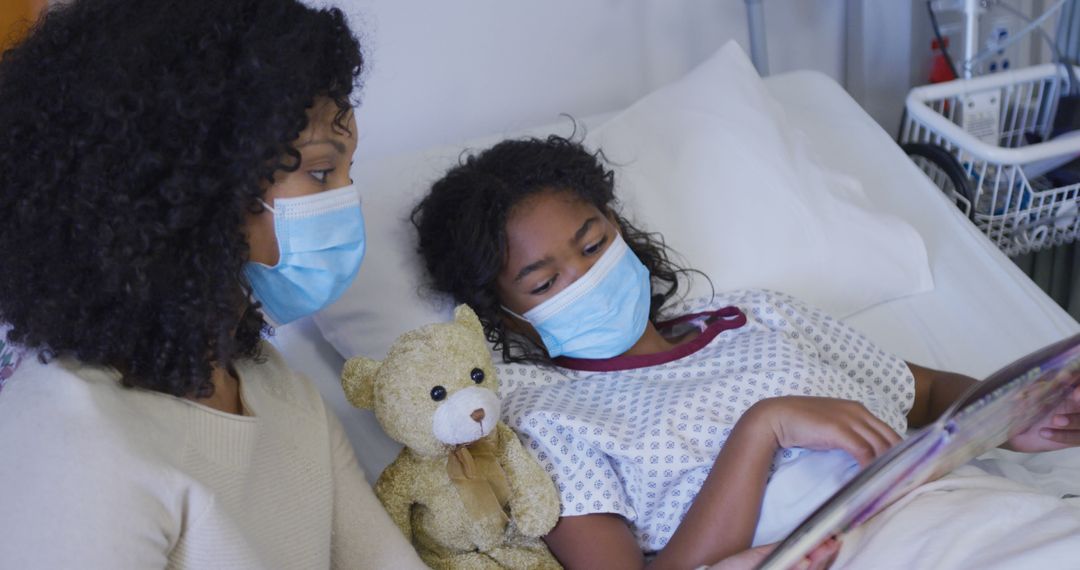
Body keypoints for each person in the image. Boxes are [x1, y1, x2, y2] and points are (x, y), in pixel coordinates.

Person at [410, 134, 1080, 569]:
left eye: (591, 243)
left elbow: (929, 397)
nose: (585, 278)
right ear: (509, 317)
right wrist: (762, 429)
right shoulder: (545, 413)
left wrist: (1019, 416)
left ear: (618, 226)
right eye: (546, 280)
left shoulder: (754, 315)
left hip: (967, 508)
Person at [0, 1, 427, 568]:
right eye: (322, 172)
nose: (347, 199)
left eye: (348, 171)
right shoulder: (73, 443)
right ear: (201, 194)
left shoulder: (279, 391)